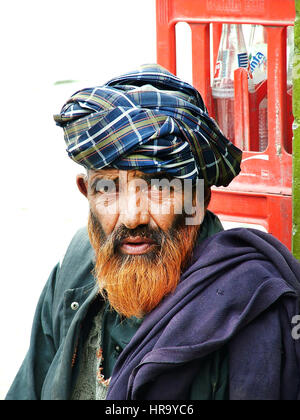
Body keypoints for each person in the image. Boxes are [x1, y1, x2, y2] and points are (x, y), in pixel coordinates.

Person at [6, 64, 300, 401]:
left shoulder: (250, 308)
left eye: (158, 189)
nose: (132, 216)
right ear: (86, 192)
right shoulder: (74, 270)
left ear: (199, 199)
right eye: (109, 189)